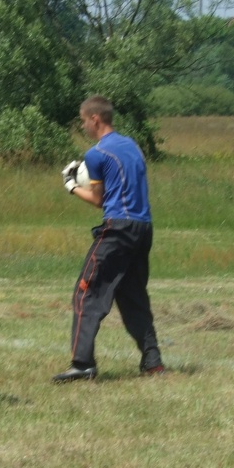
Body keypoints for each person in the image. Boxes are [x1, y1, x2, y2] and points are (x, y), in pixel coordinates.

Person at [54, 95, 164, 382]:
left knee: (86, 292)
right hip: (143, 227)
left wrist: (70, 185)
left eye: (83, 121)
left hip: (118, 229)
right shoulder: (133, 146)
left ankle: (82, 363)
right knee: (132, 295)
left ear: (95, 119)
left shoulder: (96, 154)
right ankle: (153, 361)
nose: (83, 126)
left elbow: (98, 200)